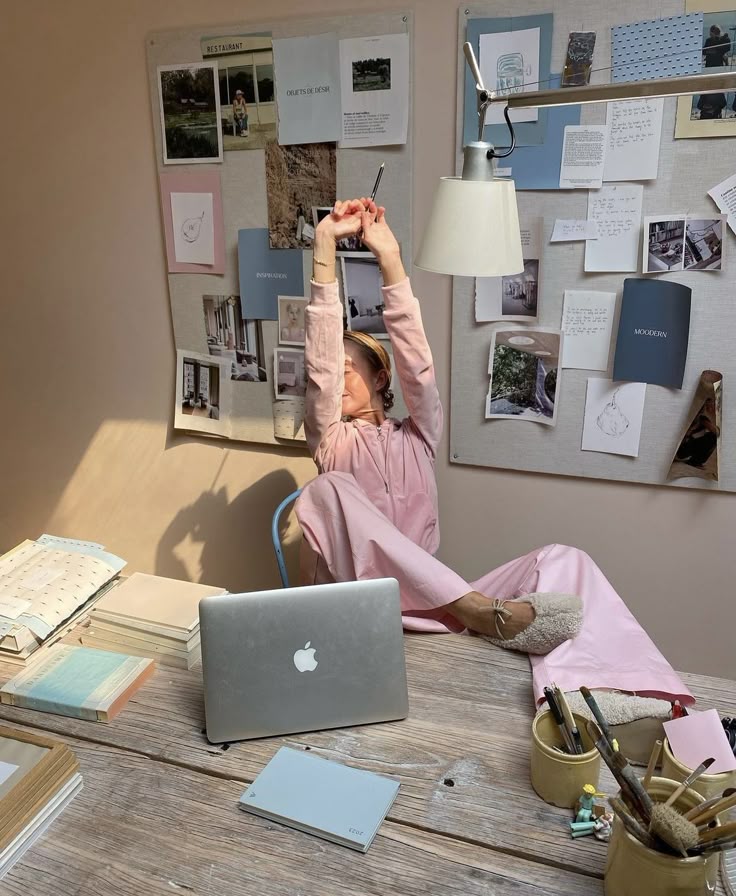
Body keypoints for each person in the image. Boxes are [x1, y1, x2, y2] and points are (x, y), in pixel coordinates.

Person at [295, 197, 692, 707]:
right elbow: (318, 368)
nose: (339, 374)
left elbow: (418, 365)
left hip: (433, 605)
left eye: (352, 365)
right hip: (368, 606)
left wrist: (390, 260)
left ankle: (603, 695)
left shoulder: (418, 435)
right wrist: (325, 243)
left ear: (380, 376)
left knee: (565, 561)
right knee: (327, 488)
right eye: (335, 364)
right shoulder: (331, 439)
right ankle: (480, 609)